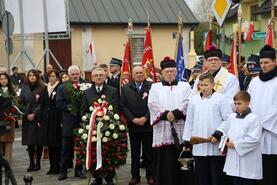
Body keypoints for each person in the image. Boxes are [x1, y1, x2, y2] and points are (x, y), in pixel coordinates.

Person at [182, 73, 233, 185]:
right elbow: (190, 121)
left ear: (212, 85)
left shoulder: (221, 98)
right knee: (202, 177)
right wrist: (187, 141)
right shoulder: (194, 100)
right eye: (201, 85)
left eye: (206, 85)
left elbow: (228, 119)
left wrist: (218, 133)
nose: (203, 88)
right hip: (199, 145)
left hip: (214, 145)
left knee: (216, 177)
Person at [148, 57, 191, 185]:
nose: (169, 74)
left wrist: (176, 113)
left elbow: (188, 101)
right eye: (166, 71)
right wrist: (167, 114)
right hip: (163, 127)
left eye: (172, 71)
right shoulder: (155, 87)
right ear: (162, 73)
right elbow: (152, 103)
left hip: (181, 127)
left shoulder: (185, 86)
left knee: (183, 157)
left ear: (176, 72)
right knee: (165, 160)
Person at [81, 67, 118, 185]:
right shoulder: (87, 93)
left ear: (105, 76)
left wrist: (106, 120)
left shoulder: (112, 91)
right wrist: (90, 121)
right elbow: (83, 110)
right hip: (92, 129)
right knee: (94, 153)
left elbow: (116, 108)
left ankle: (109, 177)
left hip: (108, 128)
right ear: (92, 77)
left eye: (101, 75)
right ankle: (97, 177)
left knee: (108, 153)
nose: (98, 77)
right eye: (96, 75)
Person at [247, 45, 277, 185]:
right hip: (256, 135)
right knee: (258, 176)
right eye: (261, 63)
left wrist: (262, 125)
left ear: (274, 62)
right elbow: (249, 105)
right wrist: (253, 124)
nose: (263, 66)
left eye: (266, 62)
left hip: (272, 135)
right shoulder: (254, 82)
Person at [120, 66, 154, 185]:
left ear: (144, 74)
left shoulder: (151, 86)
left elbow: (154, 104)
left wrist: (145, 117)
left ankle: (150, 175)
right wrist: (133, 119)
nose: (139, 74)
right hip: (134, 125)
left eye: (141, 72)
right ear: (132, 75)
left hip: (147, 124)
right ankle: (135, 176)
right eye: (137, 73)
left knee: (149, 152)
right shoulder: (126, 88)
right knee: (135, 153)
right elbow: (123, 105)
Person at [222, 91, 262, 185]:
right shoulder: (231, 118)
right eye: (235, 103)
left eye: (239, 103)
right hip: (233, 159)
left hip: (248, 161)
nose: (236, 106)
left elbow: (254, 139)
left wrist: (235, 145)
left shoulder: (253, 118)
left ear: (247, 103)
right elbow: (225, 132)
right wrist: (225, 142)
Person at [56, 65, 86, 180]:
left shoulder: (85, 86)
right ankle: (63, 172)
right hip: (68, 122)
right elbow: (59, 103)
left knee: (80, 149)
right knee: (65, 150)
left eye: (76, 74)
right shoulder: (62, 88)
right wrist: (72, 107)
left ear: (80, 74)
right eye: (72, 74)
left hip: (81, 122)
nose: (74, 76)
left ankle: (79, 170)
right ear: (68, 75)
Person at [20, 69, 46, 171]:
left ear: (37, 76)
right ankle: (31, 163)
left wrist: (35, 113)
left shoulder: (43, 87)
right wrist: (27, 113)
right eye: (30, 75)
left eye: (34, 75)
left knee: (39, 141)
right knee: (30, 142)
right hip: (27, 118)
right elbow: (21, 103)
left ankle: (38, 163)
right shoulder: (24, 88)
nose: (32, 77)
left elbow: (43, 103)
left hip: (38, 118)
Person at [41, 70, 62, 175]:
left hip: (56, 118)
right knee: (49, 144)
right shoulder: (46, 88)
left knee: (57, 144)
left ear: (57, 77)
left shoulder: (60, 88)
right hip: (47, 119)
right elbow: (43, 104)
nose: (51, 78)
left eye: (53, 76)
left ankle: (57, 167)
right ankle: (51, 166)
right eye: (49, 76)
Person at [0, 73, 17, 162]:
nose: (3, 80)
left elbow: (16, 104)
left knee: (8, 141)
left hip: (9, 119)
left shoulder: (12, 91)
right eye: (1, 79)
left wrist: (13, 113)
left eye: (5, 79)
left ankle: (8, 162)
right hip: (0, 119)